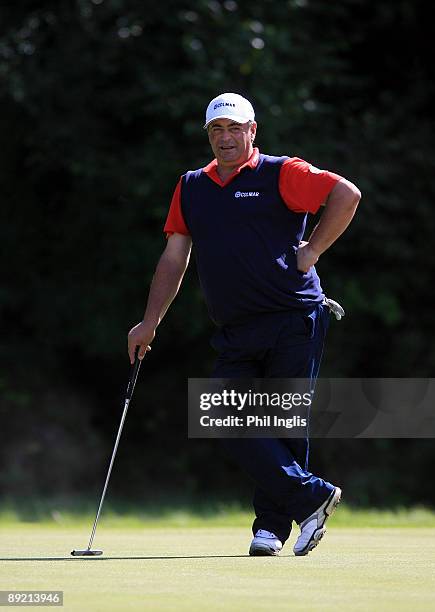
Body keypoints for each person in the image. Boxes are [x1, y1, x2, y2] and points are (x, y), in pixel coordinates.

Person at [128, 92, 361, 556]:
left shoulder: (281, 172)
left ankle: (270, 529)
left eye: (236, 128)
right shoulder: (192, 185)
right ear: (208, 136)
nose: (227, 137)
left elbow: (345, 194)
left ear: (252, 131)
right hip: (236, 326)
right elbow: (175, 255)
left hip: (294, 316)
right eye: (217, 130)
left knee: (283, 421)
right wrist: (149, 321)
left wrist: (312, 250)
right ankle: (311, 496)